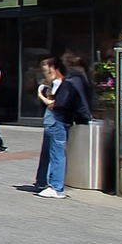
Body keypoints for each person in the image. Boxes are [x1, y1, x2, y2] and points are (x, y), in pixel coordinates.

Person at [35, 57, 90, 198]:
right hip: (52, 123)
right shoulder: (56, 84)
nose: (45, 75)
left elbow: (57, 105)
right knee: (48, 154)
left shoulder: (66, 84)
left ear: (55, 69)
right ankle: (43, 181)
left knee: (56, 155)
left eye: (47, 71)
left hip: (58, 123)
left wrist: (41, 96)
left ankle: (57, 187)